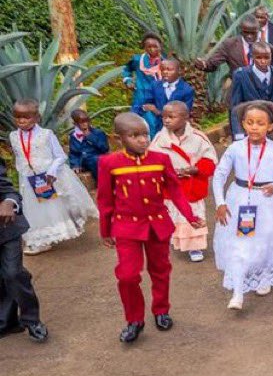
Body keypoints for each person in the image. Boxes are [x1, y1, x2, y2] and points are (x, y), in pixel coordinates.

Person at [97, 112, 204, 343]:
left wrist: (189, 215)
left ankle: (161, 310)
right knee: (127, 276)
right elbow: (105, 199)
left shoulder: (160, 159)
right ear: (119, 139)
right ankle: (134, 319)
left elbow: (175, 190)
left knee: (160, 270)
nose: (142, 140)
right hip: (126, 227)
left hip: (157, 224)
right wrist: (105, 230)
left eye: (145, 134)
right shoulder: (109, 163)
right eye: (134, 136)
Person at [212, 101, 273, 311]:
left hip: (269, 201)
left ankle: (263, 277)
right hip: (241, 200)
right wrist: (220, 203)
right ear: (243, 124)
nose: (254, 127)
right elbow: (219, 176)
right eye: (250, 122)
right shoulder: (235, 148)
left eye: (260, 123)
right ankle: (237, 292)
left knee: (266, 241)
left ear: (270, 126)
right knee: (241, 244)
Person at [10, 99, 97, 255]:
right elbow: (18, 156)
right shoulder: (13, 136)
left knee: (55, 206)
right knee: (35, 209)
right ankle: (40, 240)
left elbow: (60, 156)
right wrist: (22, 175)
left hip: (49, 176)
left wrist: (51, 171)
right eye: (17, 117)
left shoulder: (46, 134)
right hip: (29, 179)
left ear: (36, 117)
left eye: (26, 117)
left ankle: (65, 227)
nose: (21, 121)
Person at [149, 101, 217, 262]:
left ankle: (195, 246)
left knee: (193, 214)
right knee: (174, 215)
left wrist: (195, 169)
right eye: (164, 117)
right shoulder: (159, 140)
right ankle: (178, 240)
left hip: (191, 184)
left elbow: (210, 159)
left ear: (185, 117)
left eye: (171, 117)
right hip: (171, 185)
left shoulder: (198, 138)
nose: (166, 120)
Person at [0, 161, 47, 341]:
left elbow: (9, 190)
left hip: (5, 228)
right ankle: (7, 323)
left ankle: (31, 320)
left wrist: (8, 202)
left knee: (12, 273)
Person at [229, 42, 273, 140]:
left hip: (270, 130)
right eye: (259, 58)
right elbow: (235, 107)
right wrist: (238, 134)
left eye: (267, 58)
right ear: (252, 57)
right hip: (250, 128)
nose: (263, 61)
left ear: (271, 56)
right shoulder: (241, 75)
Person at [143, 58, 193, 137]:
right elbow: (147, 104)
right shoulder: (154, 85)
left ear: (179, 71)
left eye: (169, 70)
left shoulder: (186, 90)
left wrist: (157, 111)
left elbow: (185, 112)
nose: (165, 72)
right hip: (157, 126)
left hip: (177, 129)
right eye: (162, 70)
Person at [195, 15, 260, 74]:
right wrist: (204, 65)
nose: (249, 36)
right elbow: (212, 63)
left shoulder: (265, 45)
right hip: (239, 85)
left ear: (258, 31)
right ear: (241, 31)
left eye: (253, 33)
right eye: (246, 32)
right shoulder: (229, 44)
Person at [122, 33, 163, 116]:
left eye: (155, 46)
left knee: (156, 122)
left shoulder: (165, 62)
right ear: (144, 47)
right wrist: (128, 80)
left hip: (158, 98)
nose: (152, 49)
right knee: (137, 120)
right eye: (149, 47)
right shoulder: (137, 60)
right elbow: (126, 69)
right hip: (141, 96)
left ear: (160, 46)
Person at [67, 109, 110, 187]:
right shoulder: (73, 136)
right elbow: (73, 153)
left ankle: (103, 184)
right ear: (75, 124)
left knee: (96, 160)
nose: (85, 124)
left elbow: (105, 148)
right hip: (83, 163)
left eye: (87, 121)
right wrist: (75, 164)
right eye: (82, 122)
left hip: (96, 160)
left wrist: (90, 137)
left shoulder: (98, 133)